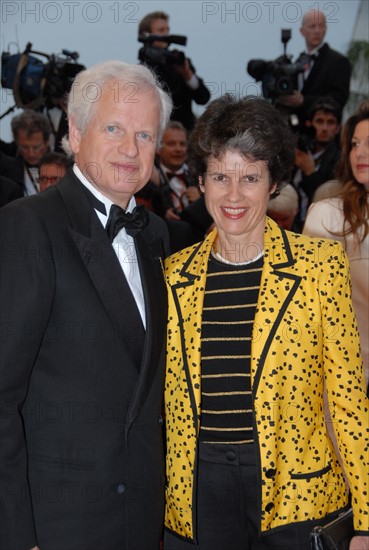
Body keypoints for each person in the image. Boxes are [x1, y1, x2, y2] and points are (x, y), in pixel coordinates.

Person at [163, 95, 369, 550]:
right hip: (197, 494)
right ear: (200, 181)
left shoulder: (321, 266)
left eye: (250, 178)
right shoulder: (174, 274)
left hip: (299, 495)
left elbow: (349, 401)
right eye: (220, 176)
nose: (233, 195)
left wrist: (368, 521)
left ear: (273, 182)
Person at [0, 60, 172, 550]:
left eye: (144, 135)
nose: (130, 149)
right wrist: (17, 535)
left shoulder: (157, 235)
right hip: (55, 526)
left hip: (138, 521)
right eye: (114, 128)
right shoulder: (29, 226)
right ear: (75, 134)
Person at [303, 99, 369, 390]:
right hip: (348, 383)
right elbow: (309, 308)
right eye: (354, 144)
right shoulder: (329, 217)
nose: (360, 153)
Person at [138, 11, 211, 131]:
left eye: (167, 30)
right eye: (161, 30)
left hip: (184, 133)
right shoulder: (141, 70)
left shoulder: (180, 62)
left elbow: (203, 97)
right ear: (147, 34)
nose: (166, 34)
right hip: (157, 132)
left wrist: (188, 76)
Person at [277, 9, 351, 123]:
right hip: (295, 130)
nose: (317, 31)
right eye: (312, 26)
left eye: (321, 26)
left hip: (322, 131)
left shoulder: (339, 61)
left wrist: (304, 101)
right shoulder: (297, 61)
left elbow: (338, 99)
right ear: (302, 31)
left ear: (325, 29)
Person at [291, 96, 342, 227]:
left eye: (330, 122)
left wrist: (310, 172)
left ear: (337, 128)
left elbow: (329, 199)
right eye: (319, 121)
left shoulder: (341, 160)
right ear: (310, 124)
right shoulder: (300, 150)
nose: (324, 128)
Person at [5, 109, 51, 195]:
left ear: (46, 142)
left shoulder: (64, 168)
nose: (31, 154)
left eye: (36, 147)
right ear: (16, 143)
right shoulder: (8, 172)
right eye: (24, 147)